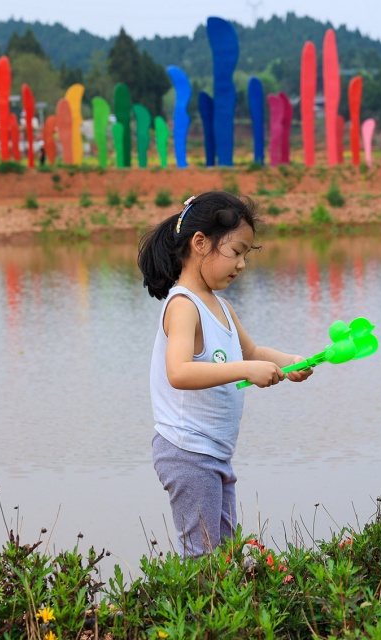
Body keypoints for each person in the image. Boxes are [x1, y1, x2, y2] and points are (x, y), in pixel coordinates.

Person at [137, 191, 313, 557]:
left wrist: (289, 362)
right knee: (203, 555)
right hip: (187, 451)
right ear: (200, 243)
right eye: (235, 252)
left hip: (214, 451)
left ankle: (222, 611)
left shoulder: (222, 306)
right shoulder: (184, 305)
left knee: (225, 551)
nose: (242, 265)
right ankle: (199, 613)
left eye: (247, 255)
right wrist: (247, 369)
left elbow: (251, 352)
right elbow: (179, 372)